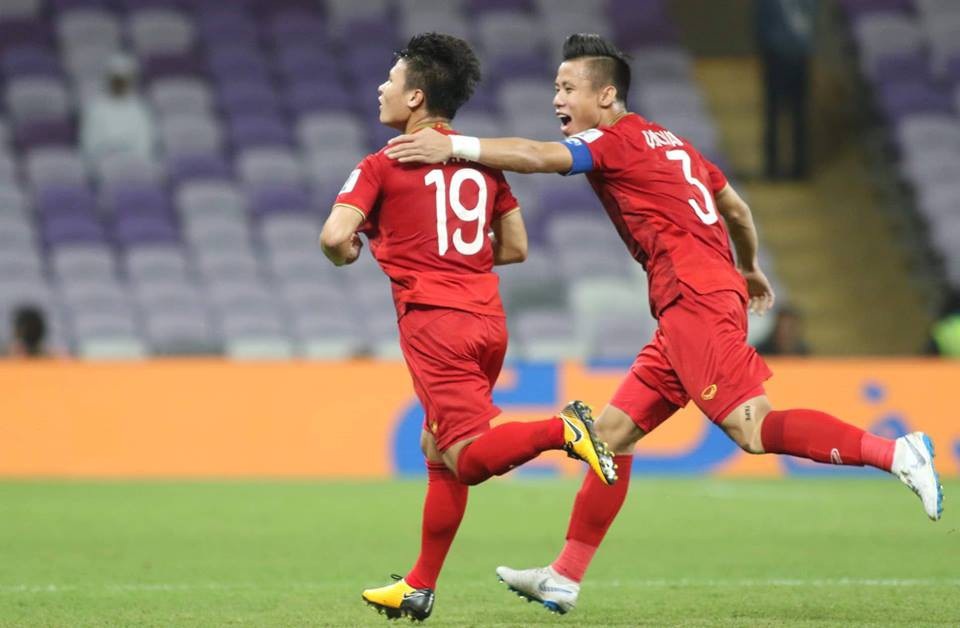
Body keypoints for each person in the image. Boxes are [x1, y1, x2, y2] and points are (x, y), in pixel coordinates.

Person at [385, 32, 944, 614]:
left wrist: (456, 148)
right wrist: (748, 268)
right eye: (555, 87)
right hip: (698, 294)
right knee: (611, 437)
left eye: (567, 88)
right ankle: (564, 575)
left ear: (606, 95)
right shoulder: (673, 142)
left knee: (753, 429)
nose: (556, 99)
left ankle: (896, 453)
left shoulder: (614, 141)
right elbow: (736, 208)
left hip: (694, 298)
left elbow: (540, 157)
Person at [319, 33, 617, 622]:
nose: (381, 86)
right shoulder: (480, 163)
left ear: (416, 98)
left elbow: (333, 237)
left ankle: (563, 430)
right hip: (487, 322)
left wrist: (353, 251)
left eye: (391, 79)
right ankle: (418, 585)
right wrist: (456, 258)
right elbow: (517, 246)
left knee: (470, 456)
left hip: (436, 326)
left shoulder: (382, 162)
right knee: (439, 449)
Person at [756, 0, 817, 179]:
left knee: (799, 114)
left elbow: (811, 22)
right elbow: (761, 23)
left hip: (798, 56)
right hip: (776, 55)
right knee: (774, 113)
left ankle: (799, 168)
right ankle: (773, 167)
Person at [80, 54, 156, 166]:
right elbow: (89, 144)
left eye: (124, 80)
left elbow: (146, 144)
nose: (120, 84)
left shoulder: (141, 109)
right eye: (117, 80)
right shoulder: (95, 108)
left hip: (135, 164)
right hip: (104, 165)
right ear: (109, 80)